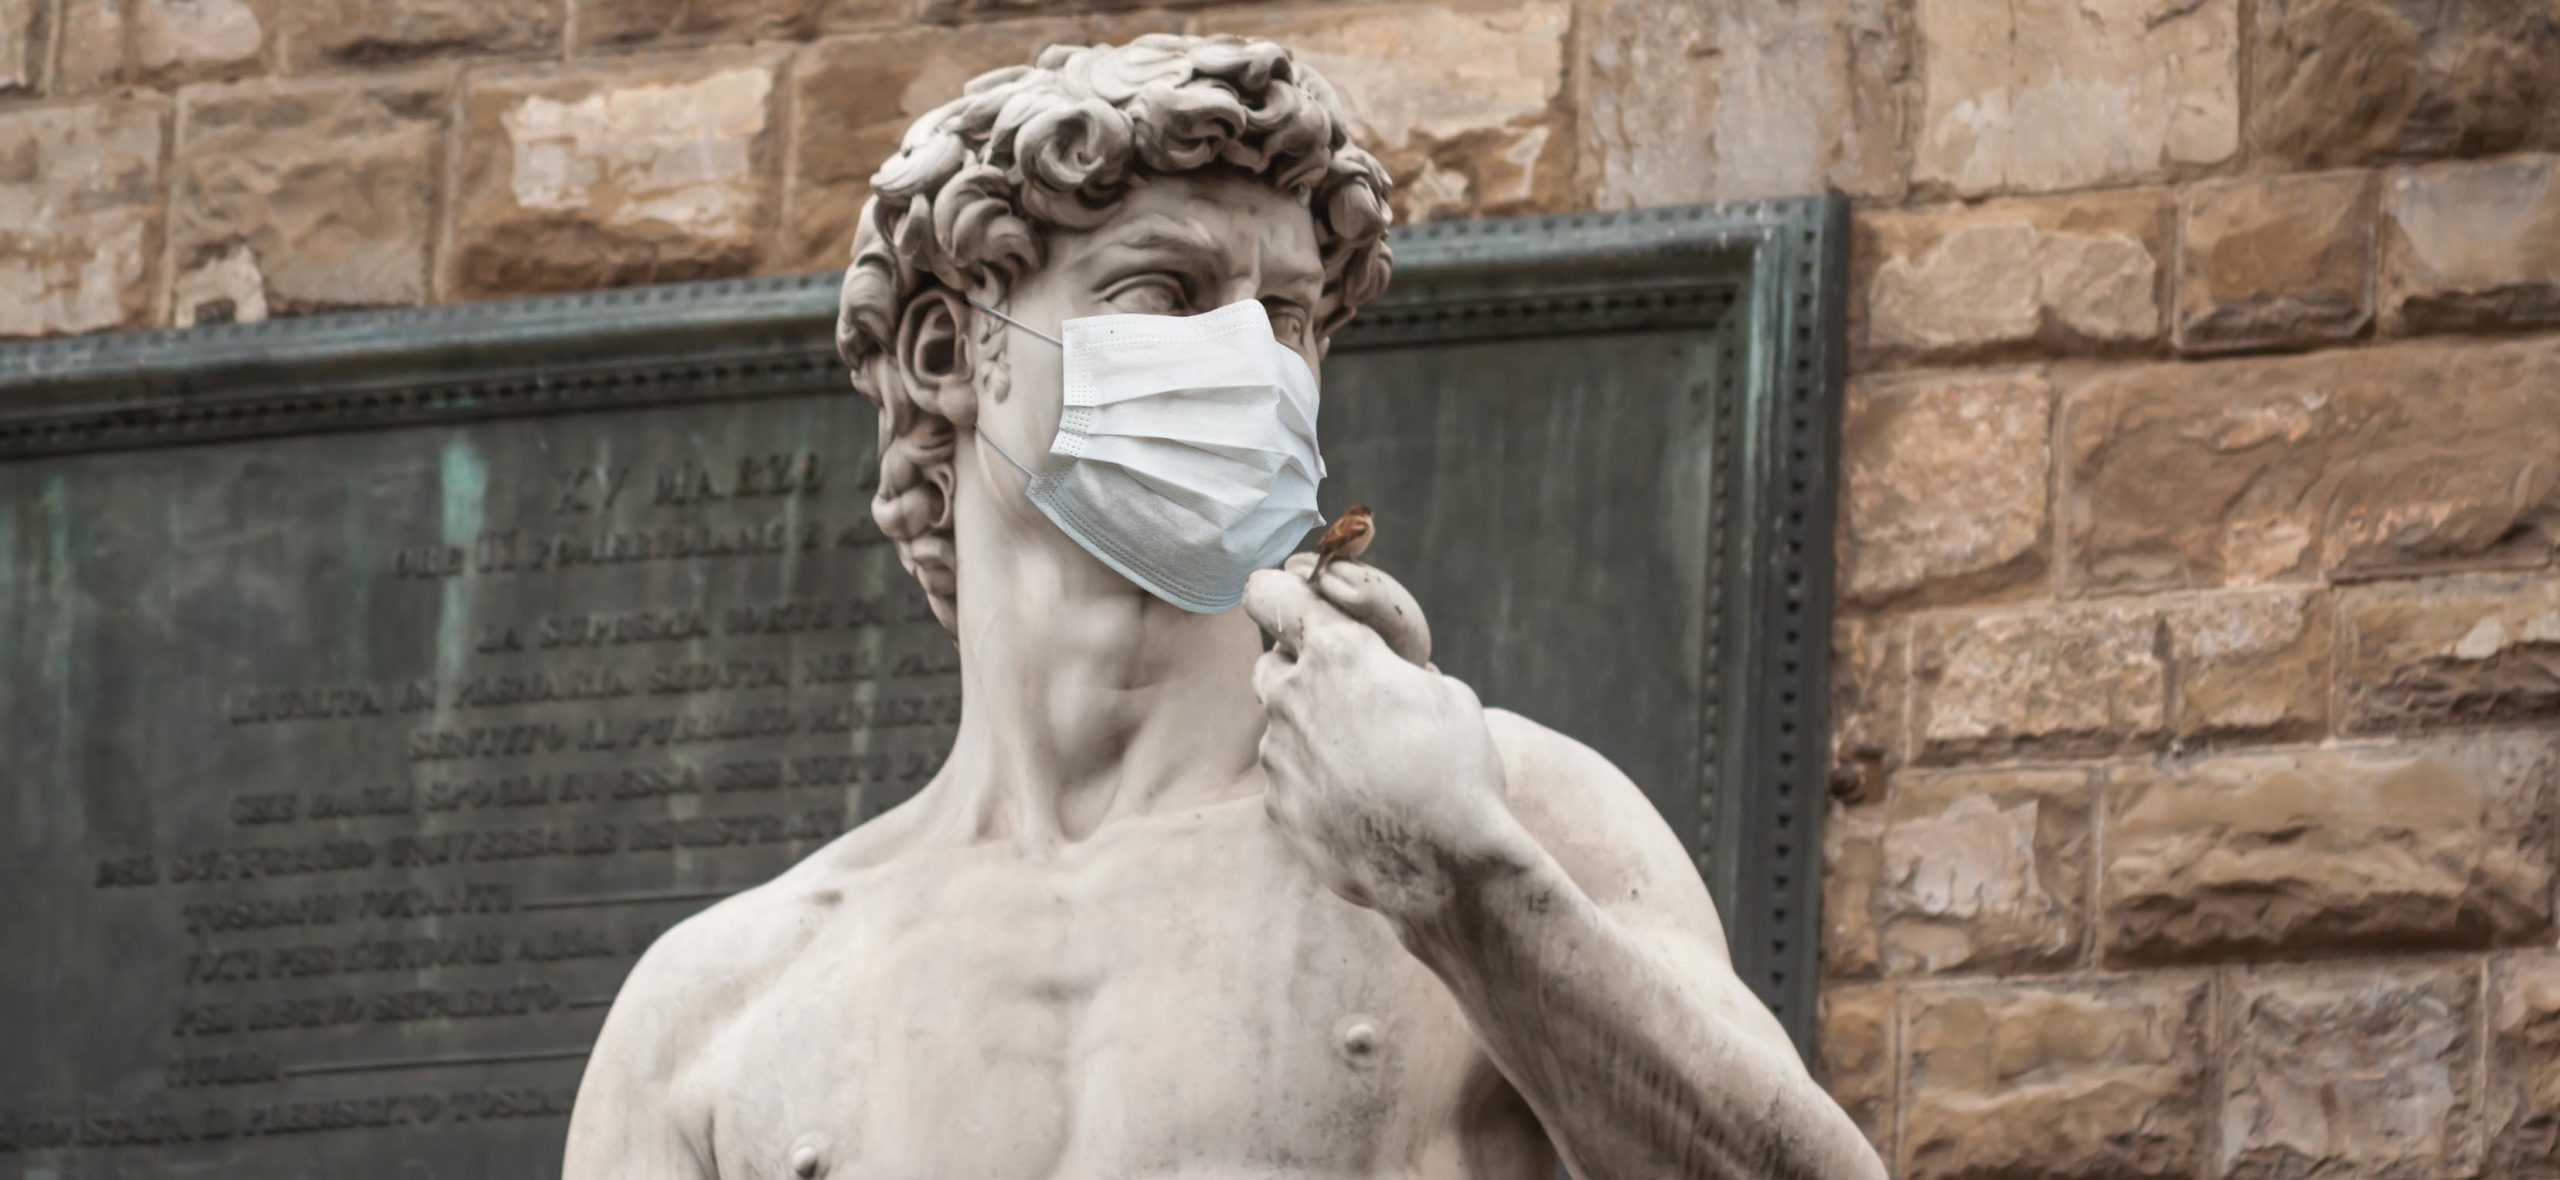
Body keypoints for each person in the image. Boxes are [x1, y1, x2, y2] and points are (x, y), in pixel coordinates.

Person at [563, 33, 1886, 1180]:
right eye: (1170, 293)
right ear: (947, 353)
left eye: (1294, 316)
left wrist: (1469, 896)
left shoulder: (1507, 814)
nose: (1253, 359)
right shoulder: (715, 1011)